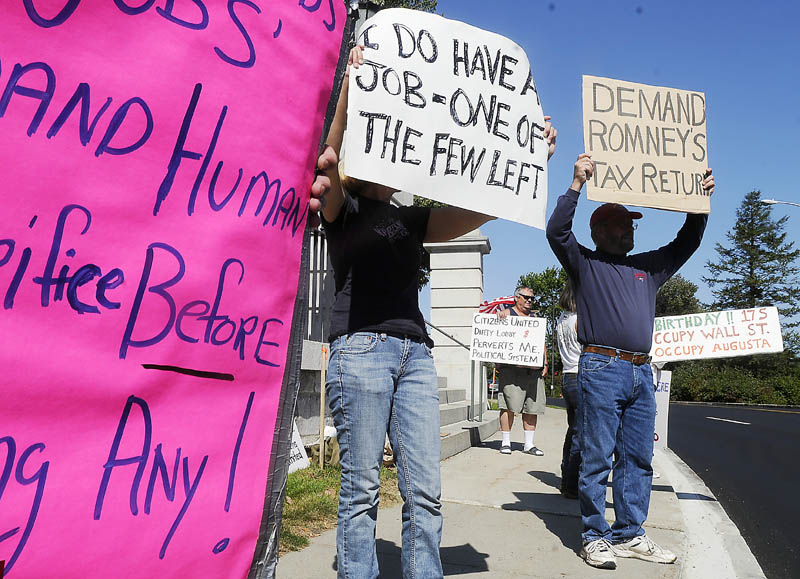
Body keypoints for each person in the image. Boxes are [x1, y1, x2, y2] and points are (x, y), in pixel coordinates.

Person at [316, 46, 557, 578]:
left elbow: (482, 208)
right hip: (361, 348)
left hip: (416, 355)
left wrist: (530, 161)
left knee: (424, 490)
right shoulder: (345, 208)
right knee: (360, 487)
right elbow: (328, 161)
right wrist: (352, 89)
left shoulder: (415, 217)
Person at [546, 153, 714, 570]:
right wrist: (575, 185)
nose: (631, 230)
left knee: (638, 457)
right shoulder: (585, 264)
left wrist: (698, 202)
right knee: (598, 456)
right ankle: (593, 535)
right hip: (601, 368)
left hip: (642, 370)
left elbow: (687, 242)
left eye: (632, 223)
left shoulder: (648, 269)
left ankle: (629, 533)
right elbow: (556, 231)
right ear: (600, 231)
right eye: (624, 223)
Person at [496, 286, 548, 455]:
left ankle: (529, 444)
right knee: (508, 406)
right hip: (511, 371)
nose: (529, 300)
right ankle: (505, 442)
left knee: (532, 407)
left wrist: (545, 362)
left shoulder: (535, 318)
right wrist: (499, 318)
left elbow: (541, 342)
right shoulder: (506, 315)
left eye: (532, 298)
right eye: (525, 297)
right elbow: (495, 337)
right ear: (516, 298)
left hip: (533, 371)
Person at [555, 281, 580, 499]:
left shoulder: (561, 320)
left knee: (572, 430)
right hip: (581, 375)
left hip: (567, 374)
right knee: (581, 433)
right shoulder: (579, 320)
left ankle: (566, 477)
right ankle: (572, 484)